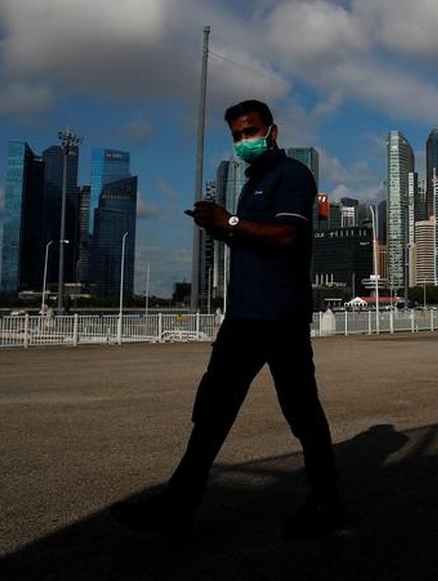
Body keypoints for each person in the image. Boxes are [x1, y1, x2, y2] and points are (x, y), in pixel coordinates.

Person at [111, 99, 345, 540]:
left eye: (250, 132)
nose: (244, 141)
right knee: (212, 411)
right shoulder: (250, 180)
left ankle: (327, 502)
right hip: (243, 318)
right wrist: (218, 227)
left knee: (301, 411)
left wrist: (230, 221)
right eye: (237, 135)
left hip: (281, 318)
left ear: (271, 132)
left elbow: (288, 235)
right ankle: (177, 508)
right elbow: (250, 243)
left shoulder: (292, 175)